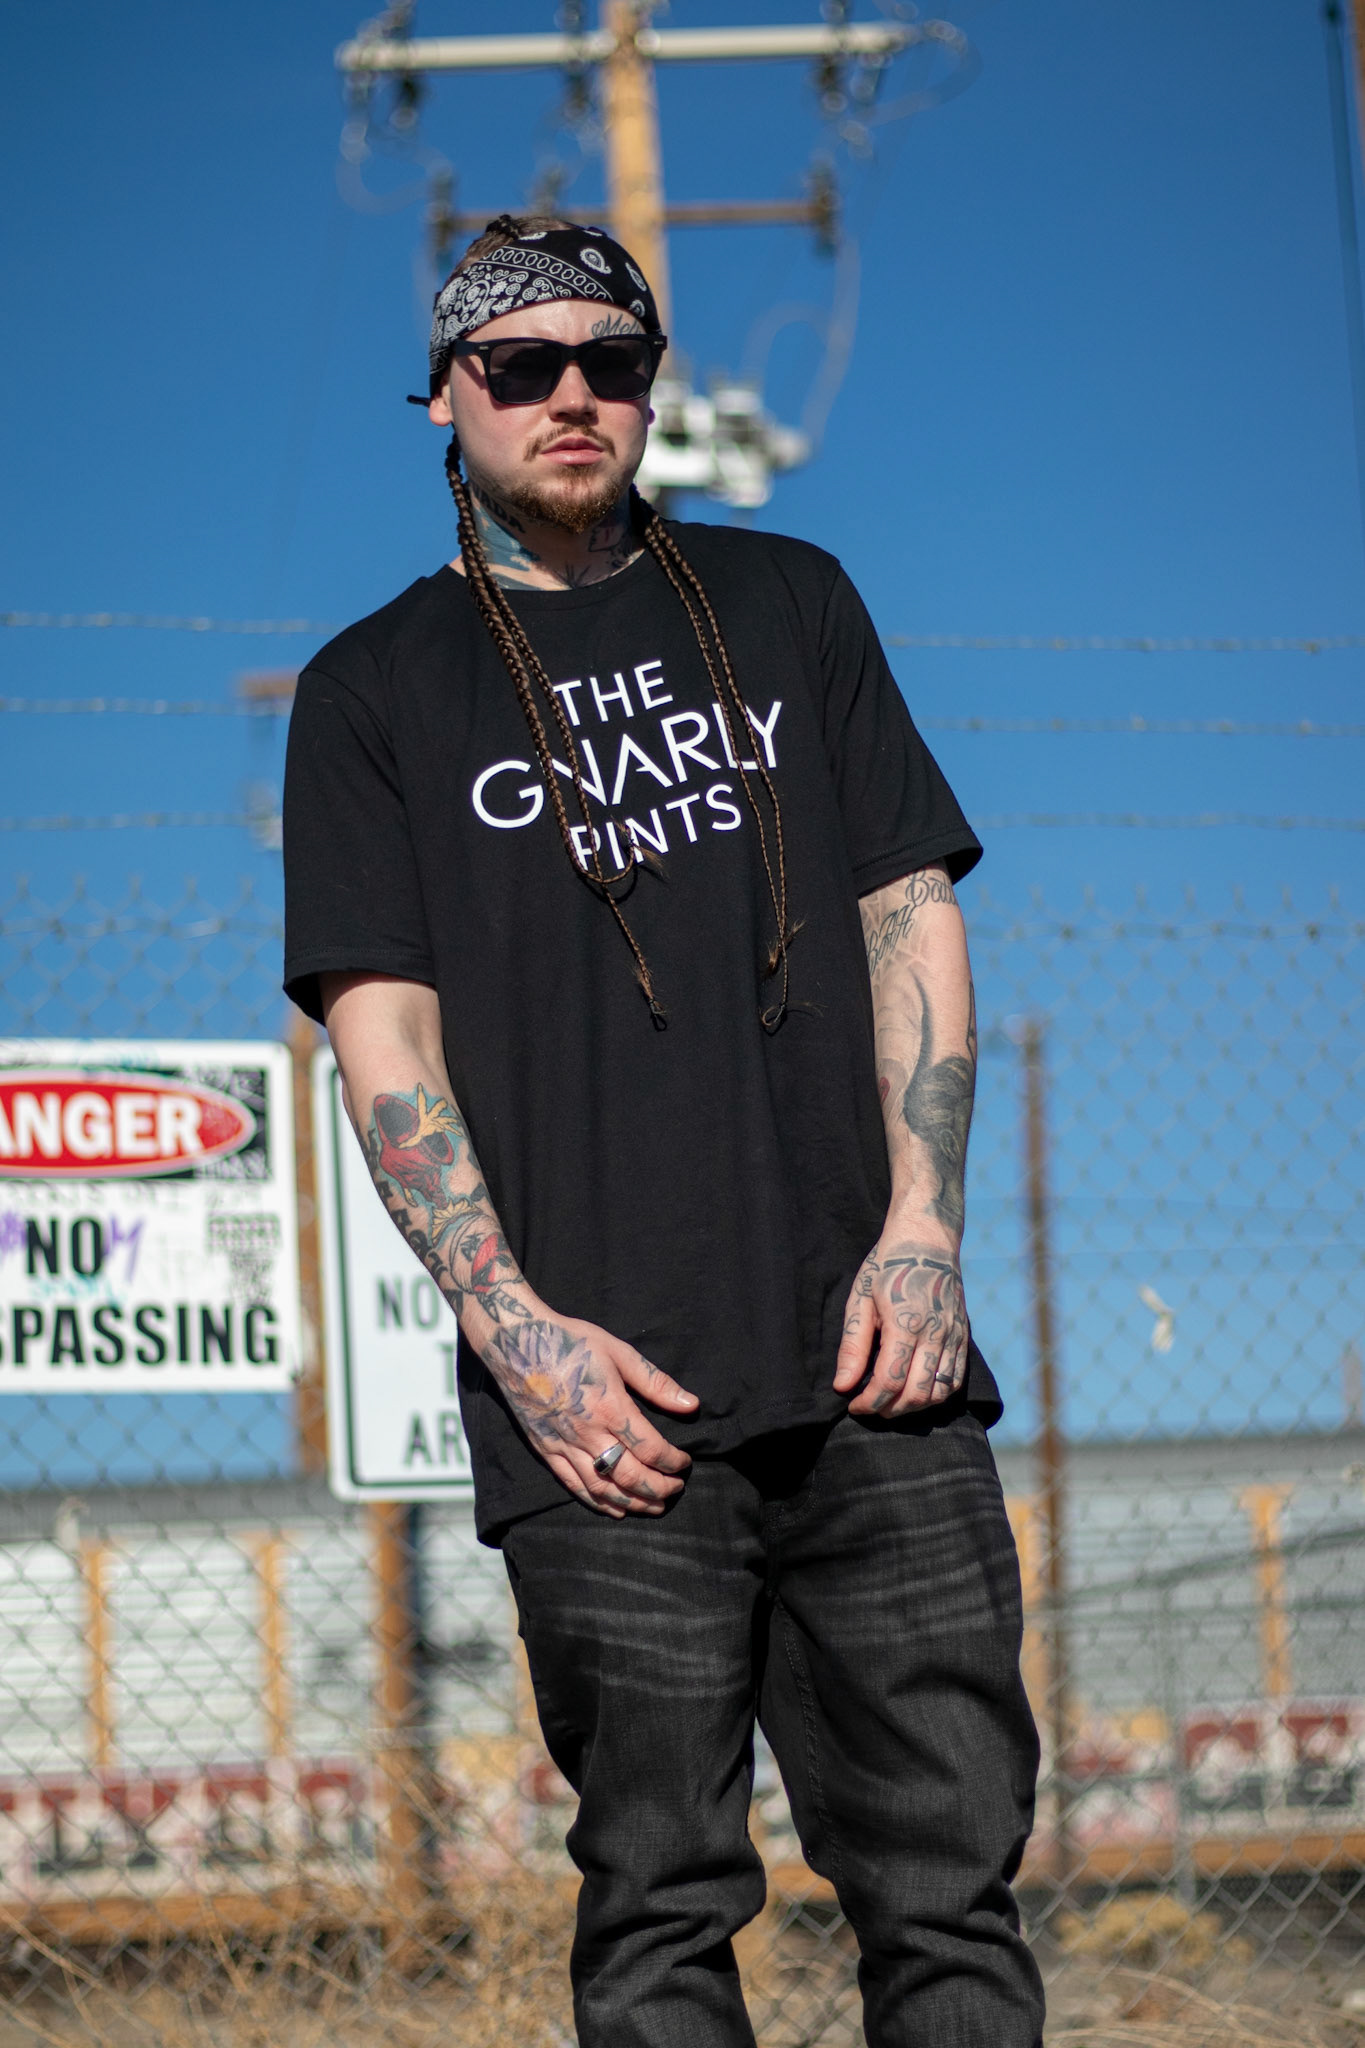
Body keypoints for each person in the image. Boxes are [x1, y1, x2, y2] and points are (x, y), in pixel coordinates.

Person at [283, 214, 1045, 2048]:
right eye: (518, 364)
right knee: (656, 1913)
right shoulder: (373, 691)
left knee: (948, 1899)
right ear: (445, 395)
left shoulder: (791, 604)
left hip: (874, 1370)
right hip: (603, 1414)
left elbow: (906, 912)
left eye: (609, 362)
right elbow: (382, 1036)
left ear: (648, 388)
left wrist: (923, 1233)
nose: (570, 395)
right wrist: (516, 1335)